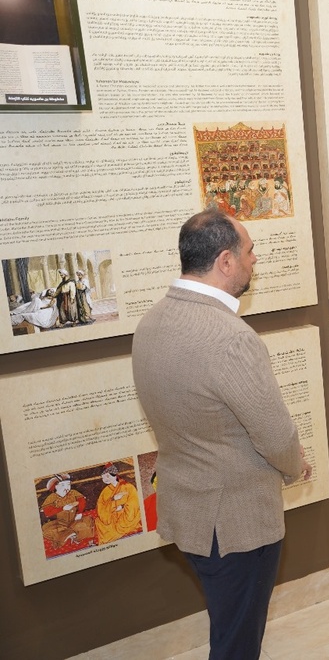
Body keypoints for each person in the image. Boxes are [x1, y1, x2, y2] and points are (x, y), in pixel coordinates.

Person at [132, 207, 311, 660]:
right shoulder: (231, 338)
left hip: (188, 512)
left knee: (227, 624)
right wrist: (295, 466)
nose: (256, 260)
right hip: (236, 525)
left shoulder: (150, 323)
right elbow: (274, 433)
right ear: (226, 261)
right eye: (250, 251)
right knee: (236, 644)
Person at [39, 473, 95, 549]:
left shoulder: (73, 493)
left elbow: (82, 501)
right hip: (60, 523)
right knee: (46, 530)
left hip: (75, 520)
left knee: (87, 523)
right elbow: (47, 512)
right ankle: (70, 534)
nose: (66, 488)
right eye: (62, 485)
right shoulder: (52, 497)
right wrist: (62, 509)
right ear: (56, 486)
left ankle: (71, 535)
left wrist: (79, 513)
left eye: (68, 485)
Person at [95, 462, 142, 544]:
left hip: (126, 515)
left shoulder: (128, 486)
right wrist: (113, 499)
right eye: (103, 478)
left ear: (114, 474)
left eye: (107, 476)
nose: (105, 479)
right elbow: (101, 507)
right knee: (99, 523)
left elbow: (134, 502)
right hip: (111, 516)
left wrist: (122, 507)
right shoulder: (105, 491)